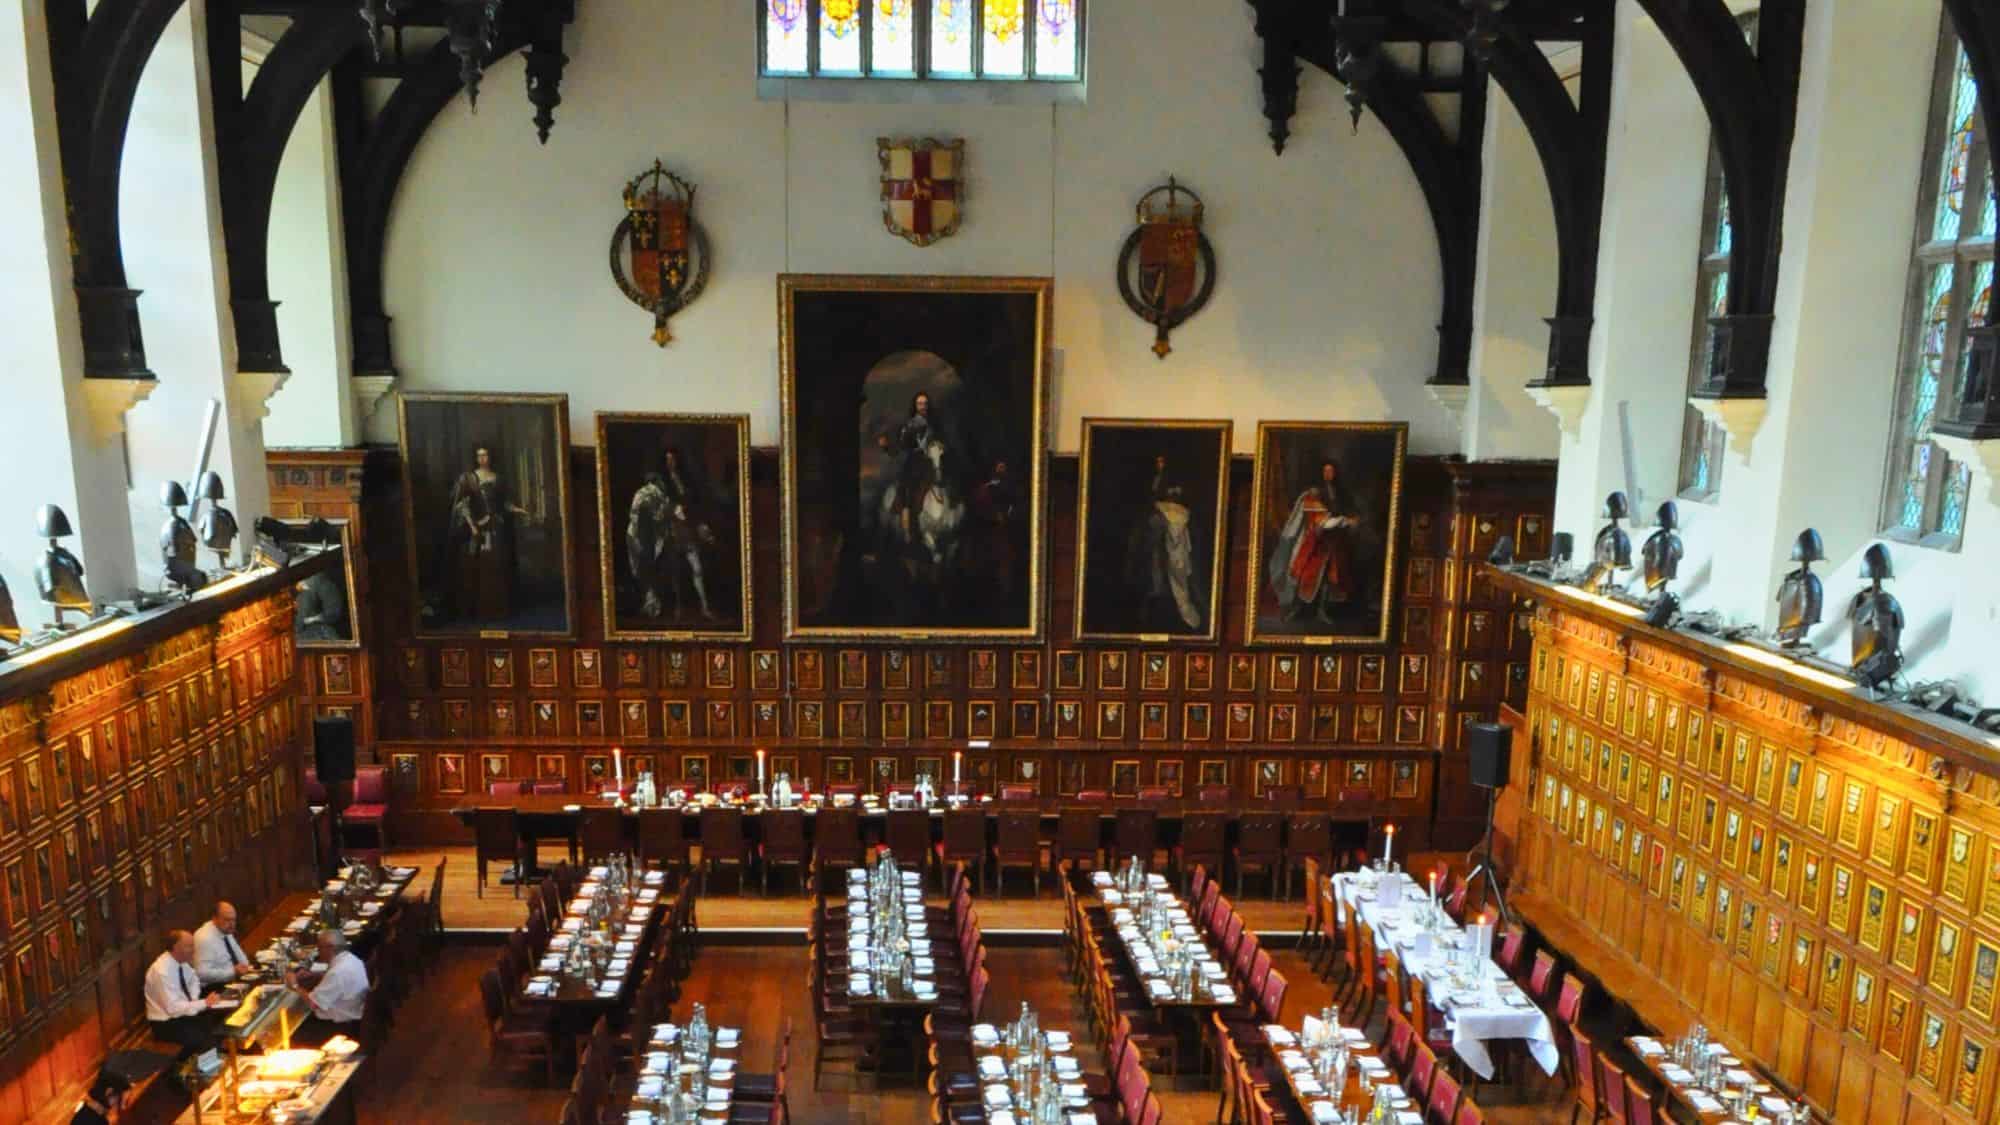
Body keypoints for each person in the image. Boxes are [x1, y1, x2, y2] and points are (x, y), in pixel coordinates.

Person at [626, 446, 719, 620]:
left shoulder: (685, 479)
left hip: (687, 527)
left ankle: (705, 607)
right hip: (671, 530)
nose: (671, 463)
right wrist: (671, 510)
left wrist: (697, 522)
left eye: (673, 459)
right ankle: (678, 609)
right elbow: (659, 508)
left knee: (697, 568)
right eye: (668, 459)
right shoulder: (662, 484)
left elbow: (694, 503)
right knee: (675, 572)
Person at [1266, 458, 1363, 624]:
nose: (1328, 474)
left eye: (1331, 471)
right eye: (1325, 471)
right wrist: (1346, 520)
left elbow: (1350, 512)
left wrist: (1352, 519)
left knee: (1328, 577)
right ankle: (1297, 609)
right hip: (1314, 541)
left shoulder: (1340, 492)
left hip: (1333, 542)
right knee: (1303, 572)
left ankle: (1321, 611)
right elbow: (1322, 521)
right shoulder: (1313, 494)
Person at [144, 930, 227, 1057]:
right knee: (204, 1038)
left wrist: (194, 1000)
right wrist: (204, 1003)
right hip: (166, 1024)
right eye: (189, 946)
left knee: (219, 1022)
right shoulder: (162, 972)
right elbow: (173, 1009)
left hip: (183, 1014)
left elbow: (193, 979)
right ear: (176, 948)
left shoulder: (180, 962)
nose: (194, 950)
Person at [285, 930, 369, 1045]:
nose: (318, 952)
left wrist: (294, 986)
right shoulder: (351, 959)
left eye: (320, 948)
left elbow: (313, 1004)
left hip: (338, 1027)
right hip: (354, 1016)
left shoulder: (337, 973)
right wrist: (314, 974)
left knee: (290, 1032)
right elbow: (339, 980)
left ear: (330, 948)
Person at [192, 901, 254, 989]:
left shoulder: (225, 930)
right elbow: (201, 973)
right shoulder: (204, 938)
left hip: (234, 982)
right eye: (227, 920)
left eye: (234, 920)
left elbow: (241, 958)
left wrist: (245, 967)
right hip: (215, 989)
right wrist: (232, 972)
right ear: (214, 918)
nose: (232, 924)